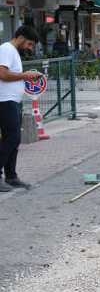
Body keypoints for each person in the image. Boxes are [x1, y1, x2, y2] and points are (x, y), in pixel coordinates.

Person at [0, 26, 43, 192]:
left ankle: (11, 176)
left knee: (15, 140)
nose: (30, 48)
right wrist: (24, 76)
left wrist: (26, 76)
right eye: (30, 44)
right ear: (21, 37)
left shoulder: (12, 51)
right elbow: (2, 74)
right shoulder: (6, 49)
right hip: (5, 101)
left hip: (12, 101)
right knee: (10, 139)